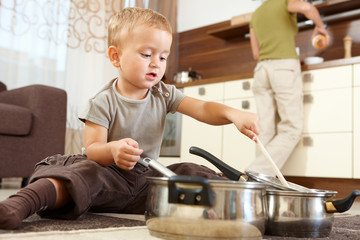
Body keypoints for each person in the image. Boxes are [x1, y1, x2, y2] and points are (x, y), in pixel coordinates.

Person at [0, 7, 259, 230]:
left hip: (146, 182)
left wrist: (232, 114)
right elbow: (93, 150)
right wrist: (113, 150)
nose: (156, 63)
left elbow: (202, 108)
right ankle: (18, 205)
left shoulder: (164, 93)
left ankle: (248, 205)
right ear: (116, 57)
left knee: (188, 171)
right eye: (147, 55)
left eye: (163, 56)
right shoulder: (103, 101)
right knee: (80, 174)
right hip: (106, 177)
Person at [247, 0, 329, 176]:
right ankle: (254, 174)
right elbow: (307, 7)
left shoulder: (257, 14)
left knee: (264, 130)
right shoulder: (283, 2)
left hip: (261, 70)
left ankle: (259, 185)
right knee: (291, 129)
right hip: (283, 66)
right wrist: (320, 26)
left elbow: (256, 53)